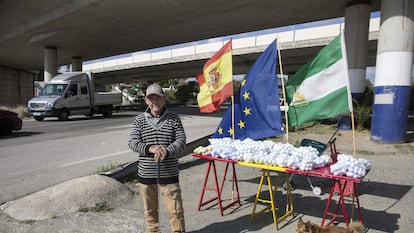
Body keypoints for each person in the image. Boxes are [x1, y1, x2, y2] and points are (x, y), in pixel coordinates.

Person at [128, 83, 186, 233]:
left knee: (176, 211)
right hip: (147, 174)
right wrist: (150, 148)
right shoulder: (139, 120)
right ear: (146, 101)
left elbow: (181, 141)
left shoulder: (174, 119)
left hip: (169, 174)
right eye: (151, 98)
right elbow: (133, 142)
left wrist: (166, 151)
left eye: (158, 98)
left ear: (163, 100)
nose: (155, 102)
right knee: (150, 213)